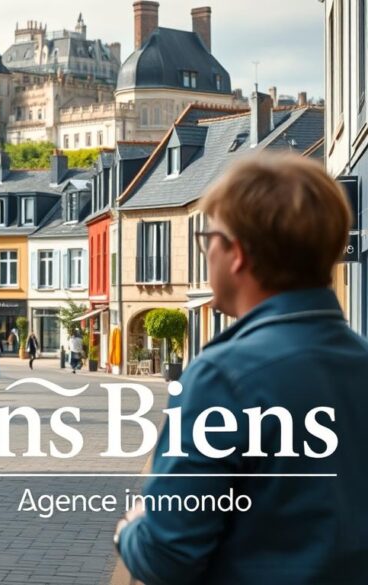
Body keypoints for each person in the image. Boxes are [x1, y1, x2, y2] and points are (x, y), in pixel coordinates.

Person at [114, 154, 368, 583]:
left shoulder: (223, 377)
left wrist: (131, 530)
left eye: (207, 237)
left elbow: (168, 554)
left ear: (237, 254)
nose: (205, 251)